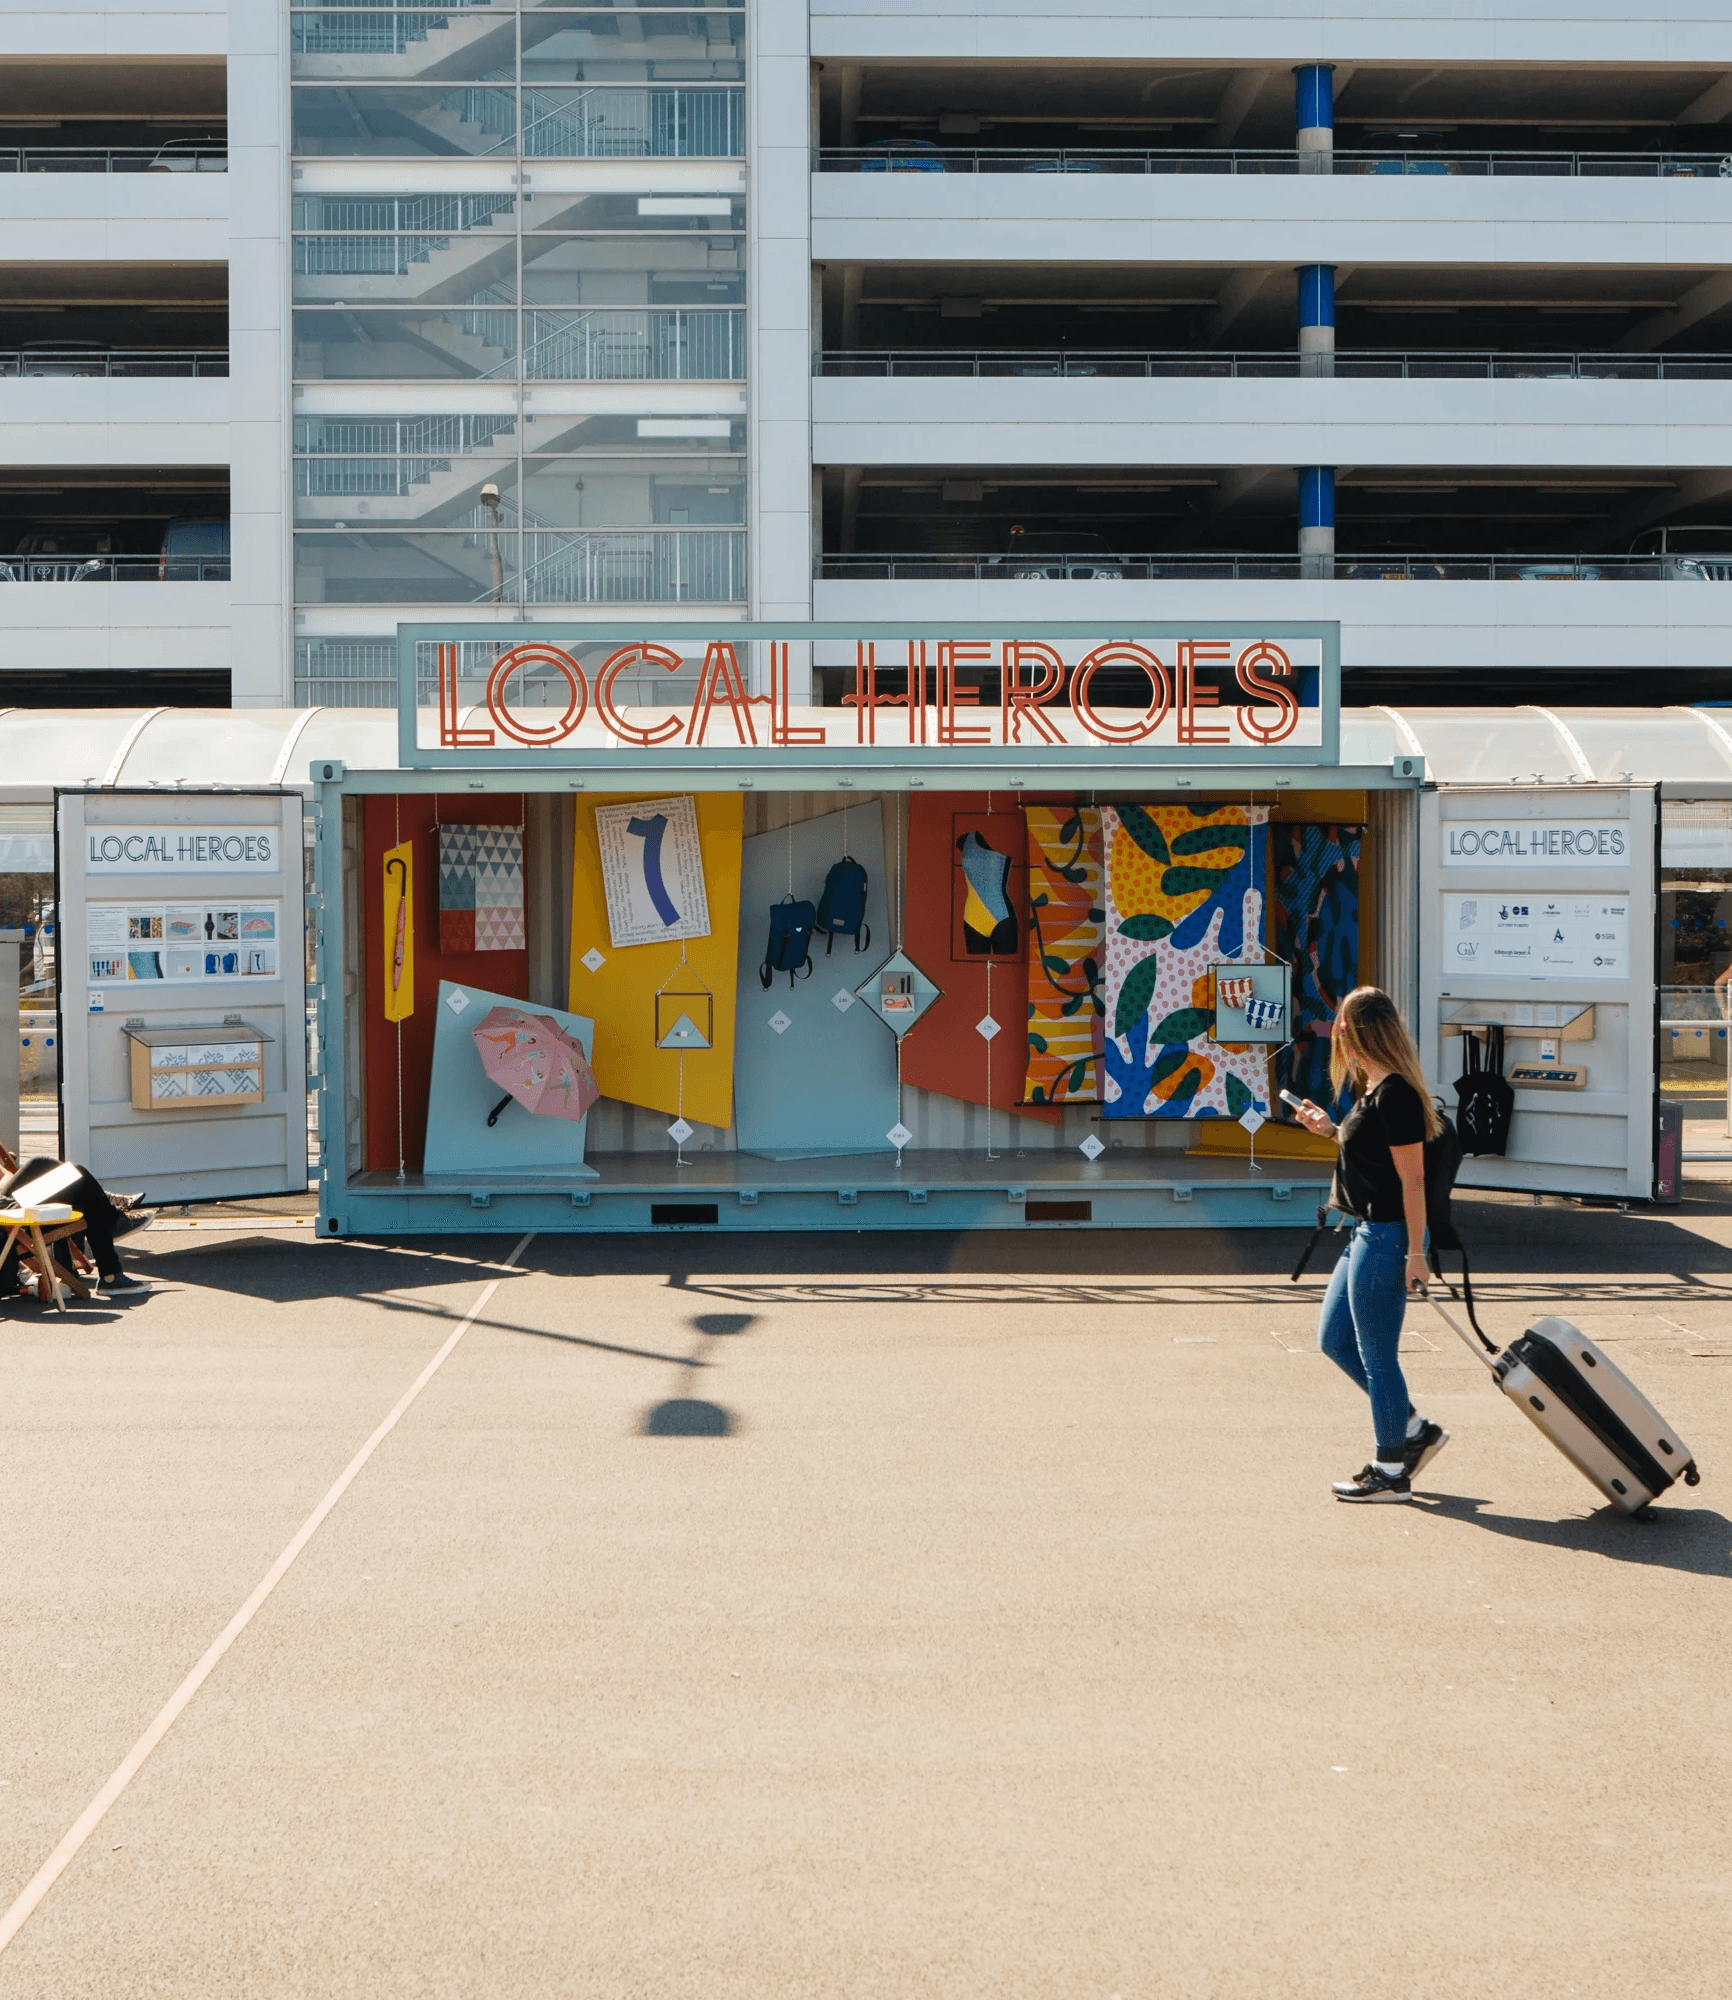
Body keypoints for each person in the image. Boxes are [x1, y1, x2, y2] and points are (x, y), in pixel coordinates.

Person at [1290, 986, 1449, 1504]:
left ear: (1360, 1032)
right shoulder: (1376, 1089)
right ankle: (1412, 1430)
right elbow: (1374, 1158)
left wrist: (1416, 1252)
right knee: (1335, 1340)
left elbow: (1413, 1181)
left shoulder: (1397, 1093)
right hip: (1365, 1231)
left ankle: (1390, 1470)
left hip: (1386, 1237)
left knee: (1377, 1355)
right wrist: (1330, 1130)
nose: (1335, 1033)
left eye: (1341, 1025)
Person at [0, 1141, 151, 1301]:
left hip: (5, 1202)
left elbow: (5, 1177)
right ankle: (111, 1259)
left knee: (47, 1164)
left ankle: (110, 1222)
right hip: (7, 1217)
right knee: (79, 1182)